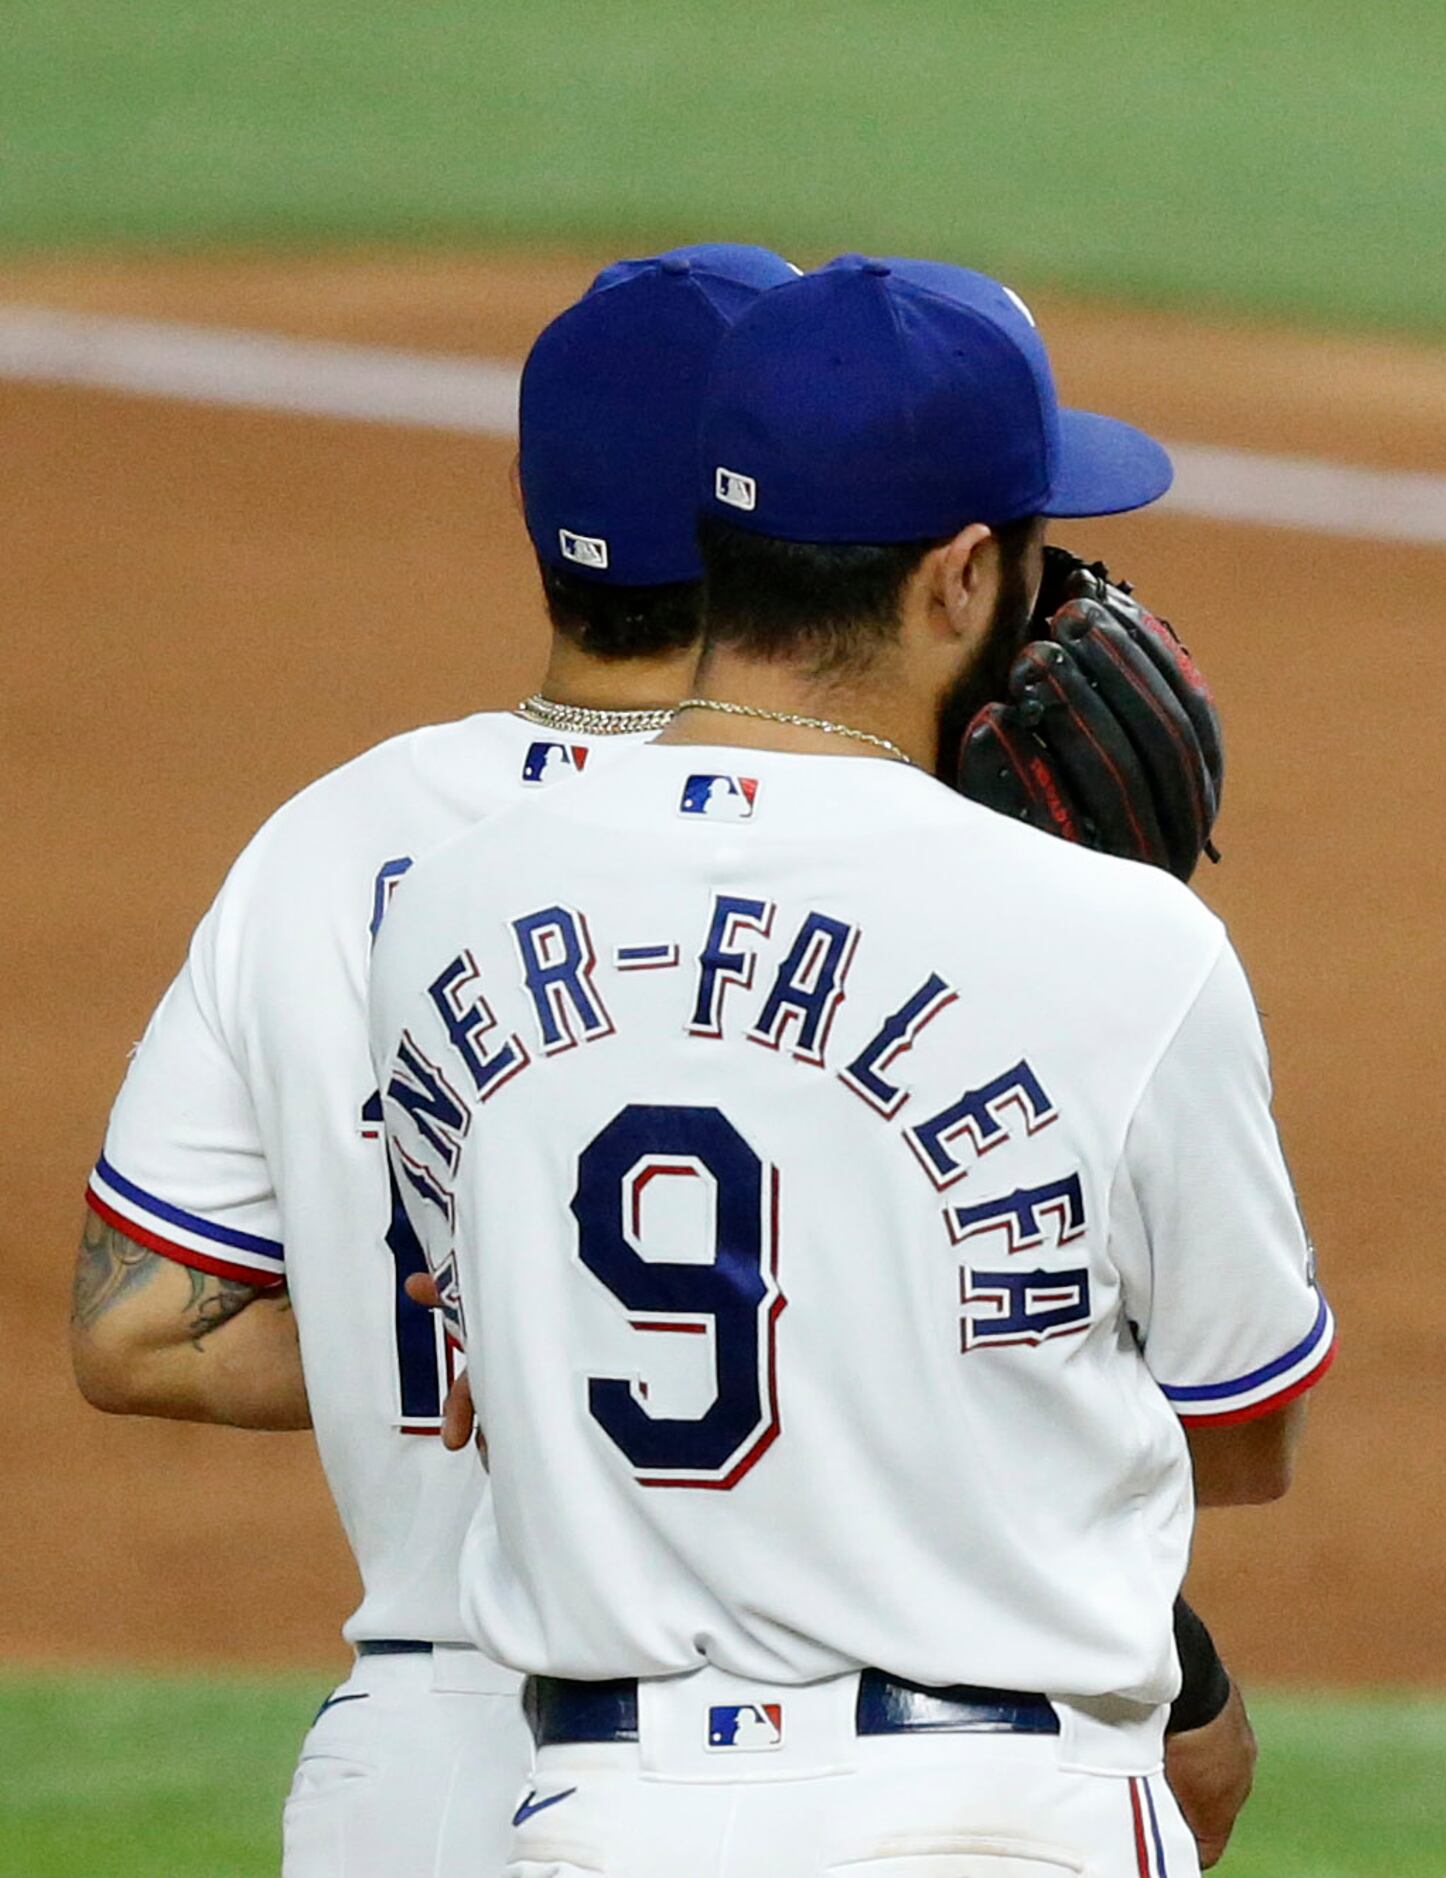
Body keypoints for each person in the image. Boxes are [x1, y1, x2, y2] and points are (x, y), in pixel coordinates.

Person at [369, 253, 1332, 1878]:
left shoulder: (444, 912)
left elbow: (494, 1375)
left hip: (599, 1816)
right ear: (959, 575)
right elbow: (1239, 1432)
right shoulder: (1120, 944)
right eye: (1039, 550)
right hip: (988, 1819)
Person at [71, 241, 799, 1878]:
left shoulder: (322, 845)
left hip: (408, 1778)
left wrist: (488, 1336)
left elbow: (134, 1331)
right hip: (768, 1761)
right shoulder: (853, 854)